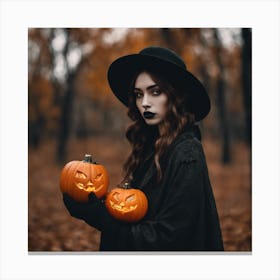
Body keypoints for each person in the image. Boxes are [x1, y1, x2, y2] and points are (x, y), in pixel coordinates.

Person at [63, 46, 224, 251]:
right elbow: (138, 212)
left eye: (156, 92)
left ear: (176, 97)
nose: (145, 103)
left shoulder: (186, 153)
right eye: (139, 94)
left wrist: (101, 219)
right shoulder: (151, 145)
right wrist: (100, 205)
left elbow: (170, 238)